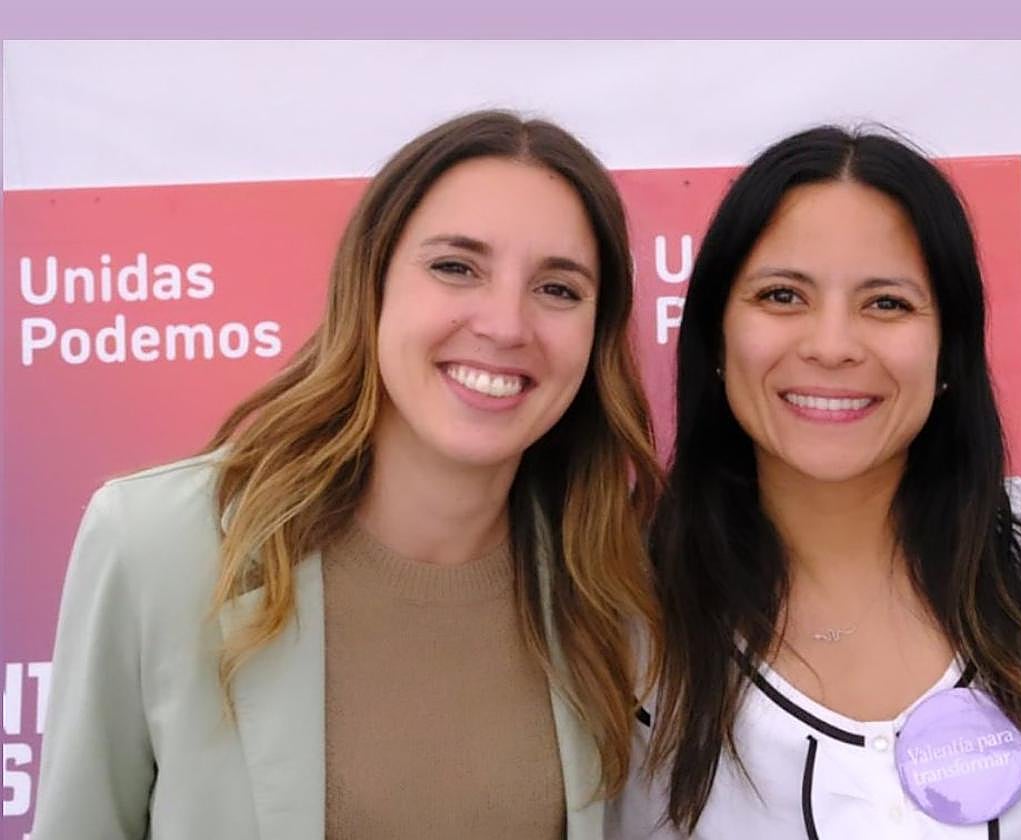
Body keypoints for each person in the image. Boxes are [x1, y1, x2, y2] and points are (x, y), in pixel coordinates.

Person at [33, 110, 661, 840]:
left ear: (598, 333)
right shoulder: (156, 544)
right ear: (372, 284)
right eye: (456, 267)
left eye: (558, 288)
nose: (505, 324)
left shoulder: (617, 589)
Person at [611, 126, 1021, 838]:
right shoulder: (624, 617)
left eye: (886, 303)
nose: (831, 346)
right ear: (714, 337)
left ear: (949, 350)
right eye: (781, 295)